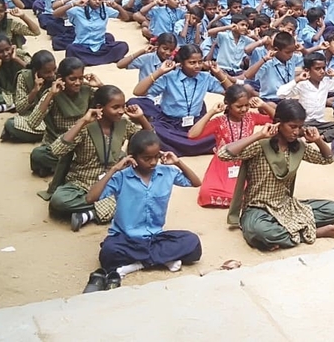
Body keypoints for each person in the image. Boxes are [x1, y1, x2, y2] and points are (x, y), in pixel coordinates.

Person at [83, 131, 203, 292]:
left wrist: (178, 162)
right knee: (109, 252)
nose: (153, 162)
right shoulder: (122, 177)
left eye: (155, 157)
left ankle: (137, 264)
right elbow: (91, 198)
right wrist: (114, 169)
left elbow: (196, 183)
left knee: (192, 242)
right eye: (146, 158)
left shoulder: (166, 173)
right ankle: (162, 259)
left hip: (155, 237)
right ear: (133, 157)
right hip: (126, 239)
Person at [218, 100, 334, 251]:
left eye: (300, 127)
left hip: (286, 206)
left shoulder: (298, 147)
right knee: (259, 231)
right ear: (278, 123)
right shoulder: (261, 145)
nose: (296, 132)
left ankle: (287, 232)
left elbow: (328, 159)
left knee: (333, 209)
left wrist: (318, 140)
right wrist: (257, 135)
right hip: (258, 209)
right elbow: (223, 154)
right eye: (292, 126)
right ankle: (310, 233)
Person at [47, 85, 152, 232]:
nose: (121, 111)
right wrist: (82, 121)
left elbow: (150, 142)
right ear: (99, 107)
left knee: (144, 192)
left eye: (123, 106)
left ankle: (89, 214)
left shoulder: (124, 125)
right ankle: (110, 206)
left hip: (113, 180)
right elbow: (56, 150)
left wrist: (141, 118)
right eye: (115, 107)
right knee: (59, 201)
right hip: (82, 182)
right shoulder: (85, 126)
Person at [131, 44, 236, 156]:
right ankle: (190, 146)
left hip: (196, 124)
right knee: (156, 132)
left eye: (200, 62)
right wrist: (160, 72)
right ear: (181, 63)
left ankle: (181, 146)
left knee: (223, 130)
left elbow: (234, 93)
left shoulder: (205, 78)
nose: (197, 66)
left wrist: (219, 73)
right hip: (170, 124)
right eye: (192, 63)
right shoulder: (169, 77)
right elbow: (138, 92)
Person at [188, 84, 274, 208]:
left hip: (245, 161)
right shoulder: (219, 121)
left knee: (250, 191)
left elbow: (278, 120)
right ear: (228, 104)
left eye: (247, 105)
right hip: (222, 162)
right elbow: (192, 135)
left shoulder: (252, 117)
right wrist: (211, 112)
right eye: (239, 106)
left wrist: (264, 105)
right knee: (206, 194)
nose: (244, 109)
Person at [275, 52, 334, 138]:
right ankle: (311, 133)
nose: (322, 71)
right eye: (317, 69)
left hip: (320, 122)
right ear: (307, 70)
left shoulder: (326, 82)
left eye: (323, 68)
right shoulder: (302, 84)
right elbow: (280, 94)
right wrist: (297, 79)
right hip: (305, 122)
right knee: (298, 129)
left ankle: (322, 137)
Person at [1, 51, 57, 143]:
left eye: (54, 69)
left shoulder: (59, 75)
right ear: (36, 71)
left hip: (56, 119)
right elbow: (20, 109)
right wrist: (34, 91)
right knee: (11, 124)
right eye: (47, 72)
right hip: (34, 118)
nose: (52, 74)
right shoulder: (24, 77)